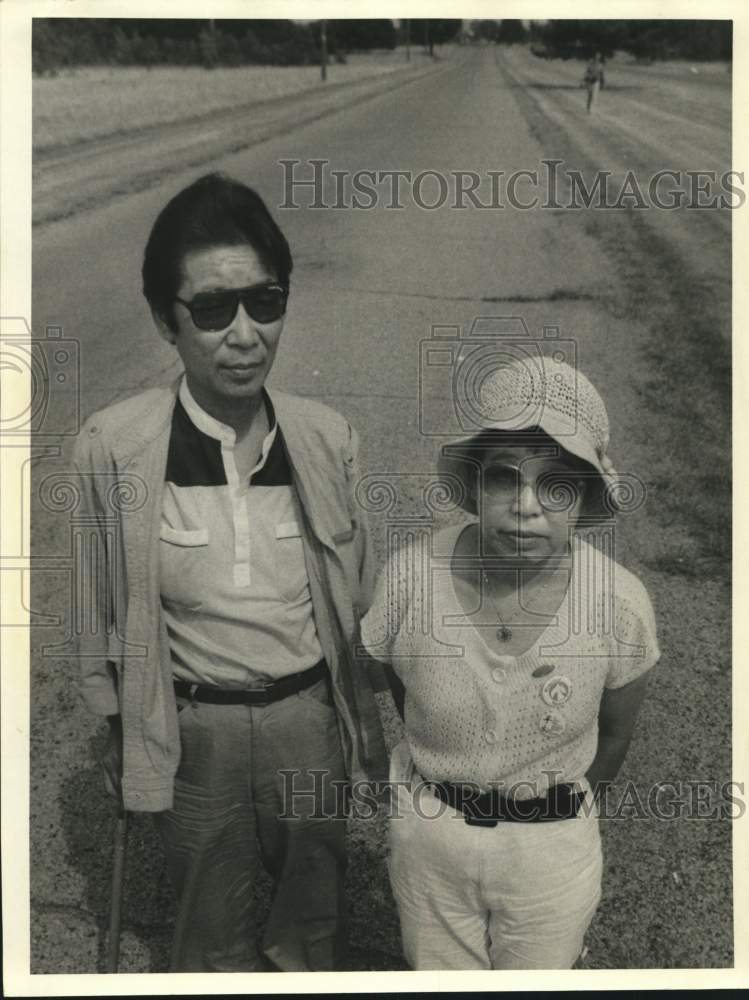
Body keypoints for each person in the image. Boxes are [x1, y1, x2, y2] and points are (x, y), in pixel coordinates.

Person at [72, 172, 388, 972]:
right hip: (195, 732)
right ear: (163, 321)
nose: (245, 334)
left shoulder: (326, 438)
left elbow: (356, 602)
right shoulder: (114, 447)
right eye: (212, 310)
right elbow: (93, 609)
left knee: (310, 932)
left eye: (266, 301)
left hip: (305, 724)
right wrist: (116, 726)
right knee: (207, 943)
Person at [360, 357, 659, 970]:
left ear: (583, 496)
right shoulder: (413, 577)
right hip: (430, 839)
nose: (527, 506)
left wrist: (548, 816)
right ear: (474, 485)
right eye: (504, 478)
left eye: (556, 484)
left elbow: (617, 733)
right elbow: (398, 683)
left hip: (552, 849)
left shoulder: (620, 603)